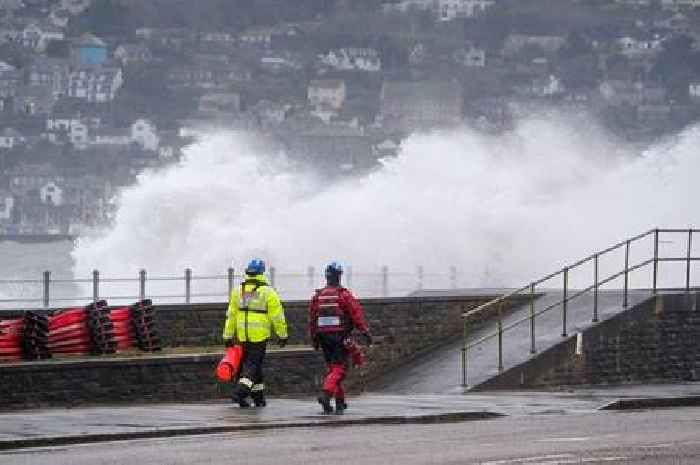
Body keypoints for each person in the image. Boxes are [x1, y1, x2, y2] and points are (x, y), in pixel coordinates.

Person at [223, 258, 288, 408]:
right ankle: (240, 393)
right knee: (253, 366)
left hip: (242, 335)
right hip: (259, 336)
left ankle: (258, 398)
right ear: (262, 272)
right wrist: (282, 335)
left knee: (254, 367)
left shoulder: (239, 290)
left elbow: (231, 314)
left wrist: (227, 335)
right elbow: (277, 316)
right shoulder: (267, 292)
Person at [308, 262, 371, 414]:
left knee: (332, 370)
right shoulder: (344, 295)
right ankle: (326, 395)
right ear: (339, 276)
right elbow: (356, 314)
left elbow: (312, 318)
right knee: (340, 370)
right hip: (339, 336)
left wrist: (314, 338)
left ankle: (340, 402)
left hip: (323, 337)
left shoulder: (318, 296)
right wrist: (365, 332)